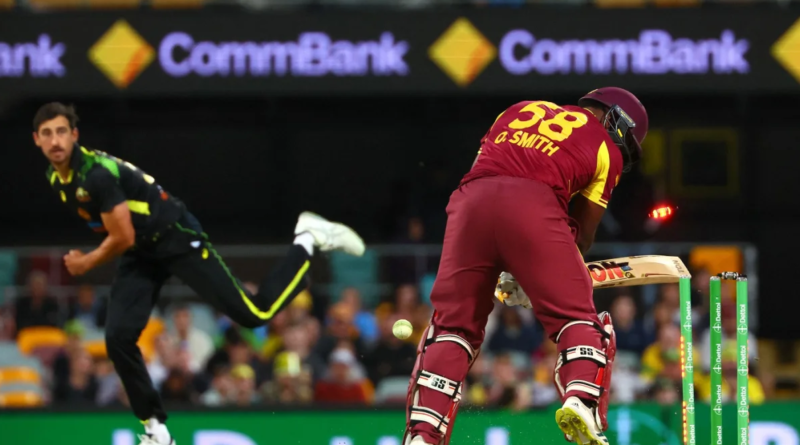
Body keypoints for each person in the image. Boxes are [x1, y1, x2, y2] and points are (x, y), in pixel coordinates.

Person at [32, 102, 365, 445]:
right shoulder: (55, 178)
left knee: (254, 314)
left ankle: (307, 239)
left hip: (174, 237)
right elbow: (122, 233)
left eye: (61, 131)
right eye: (47, 134)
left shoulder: (95, 175)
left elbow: (122, 234)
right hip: (141, 251)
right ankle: (155, 429)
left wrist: (87, 263)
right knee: (118, 338)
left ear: (74, 135)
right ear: (37, 140)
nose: (55, 140)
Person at [402, 88, 648, 445]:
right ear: (618, 123)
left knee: (453, 325)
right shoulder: (605, 148)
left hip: (469, 204)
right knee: (577, 318)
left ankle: (423, 434)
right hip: (534, 204)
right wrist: (541, 275)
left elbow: (487, 178)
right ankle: (581, 401)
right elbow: (580, 234)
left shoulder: (516, 109)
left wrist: (515, 264)